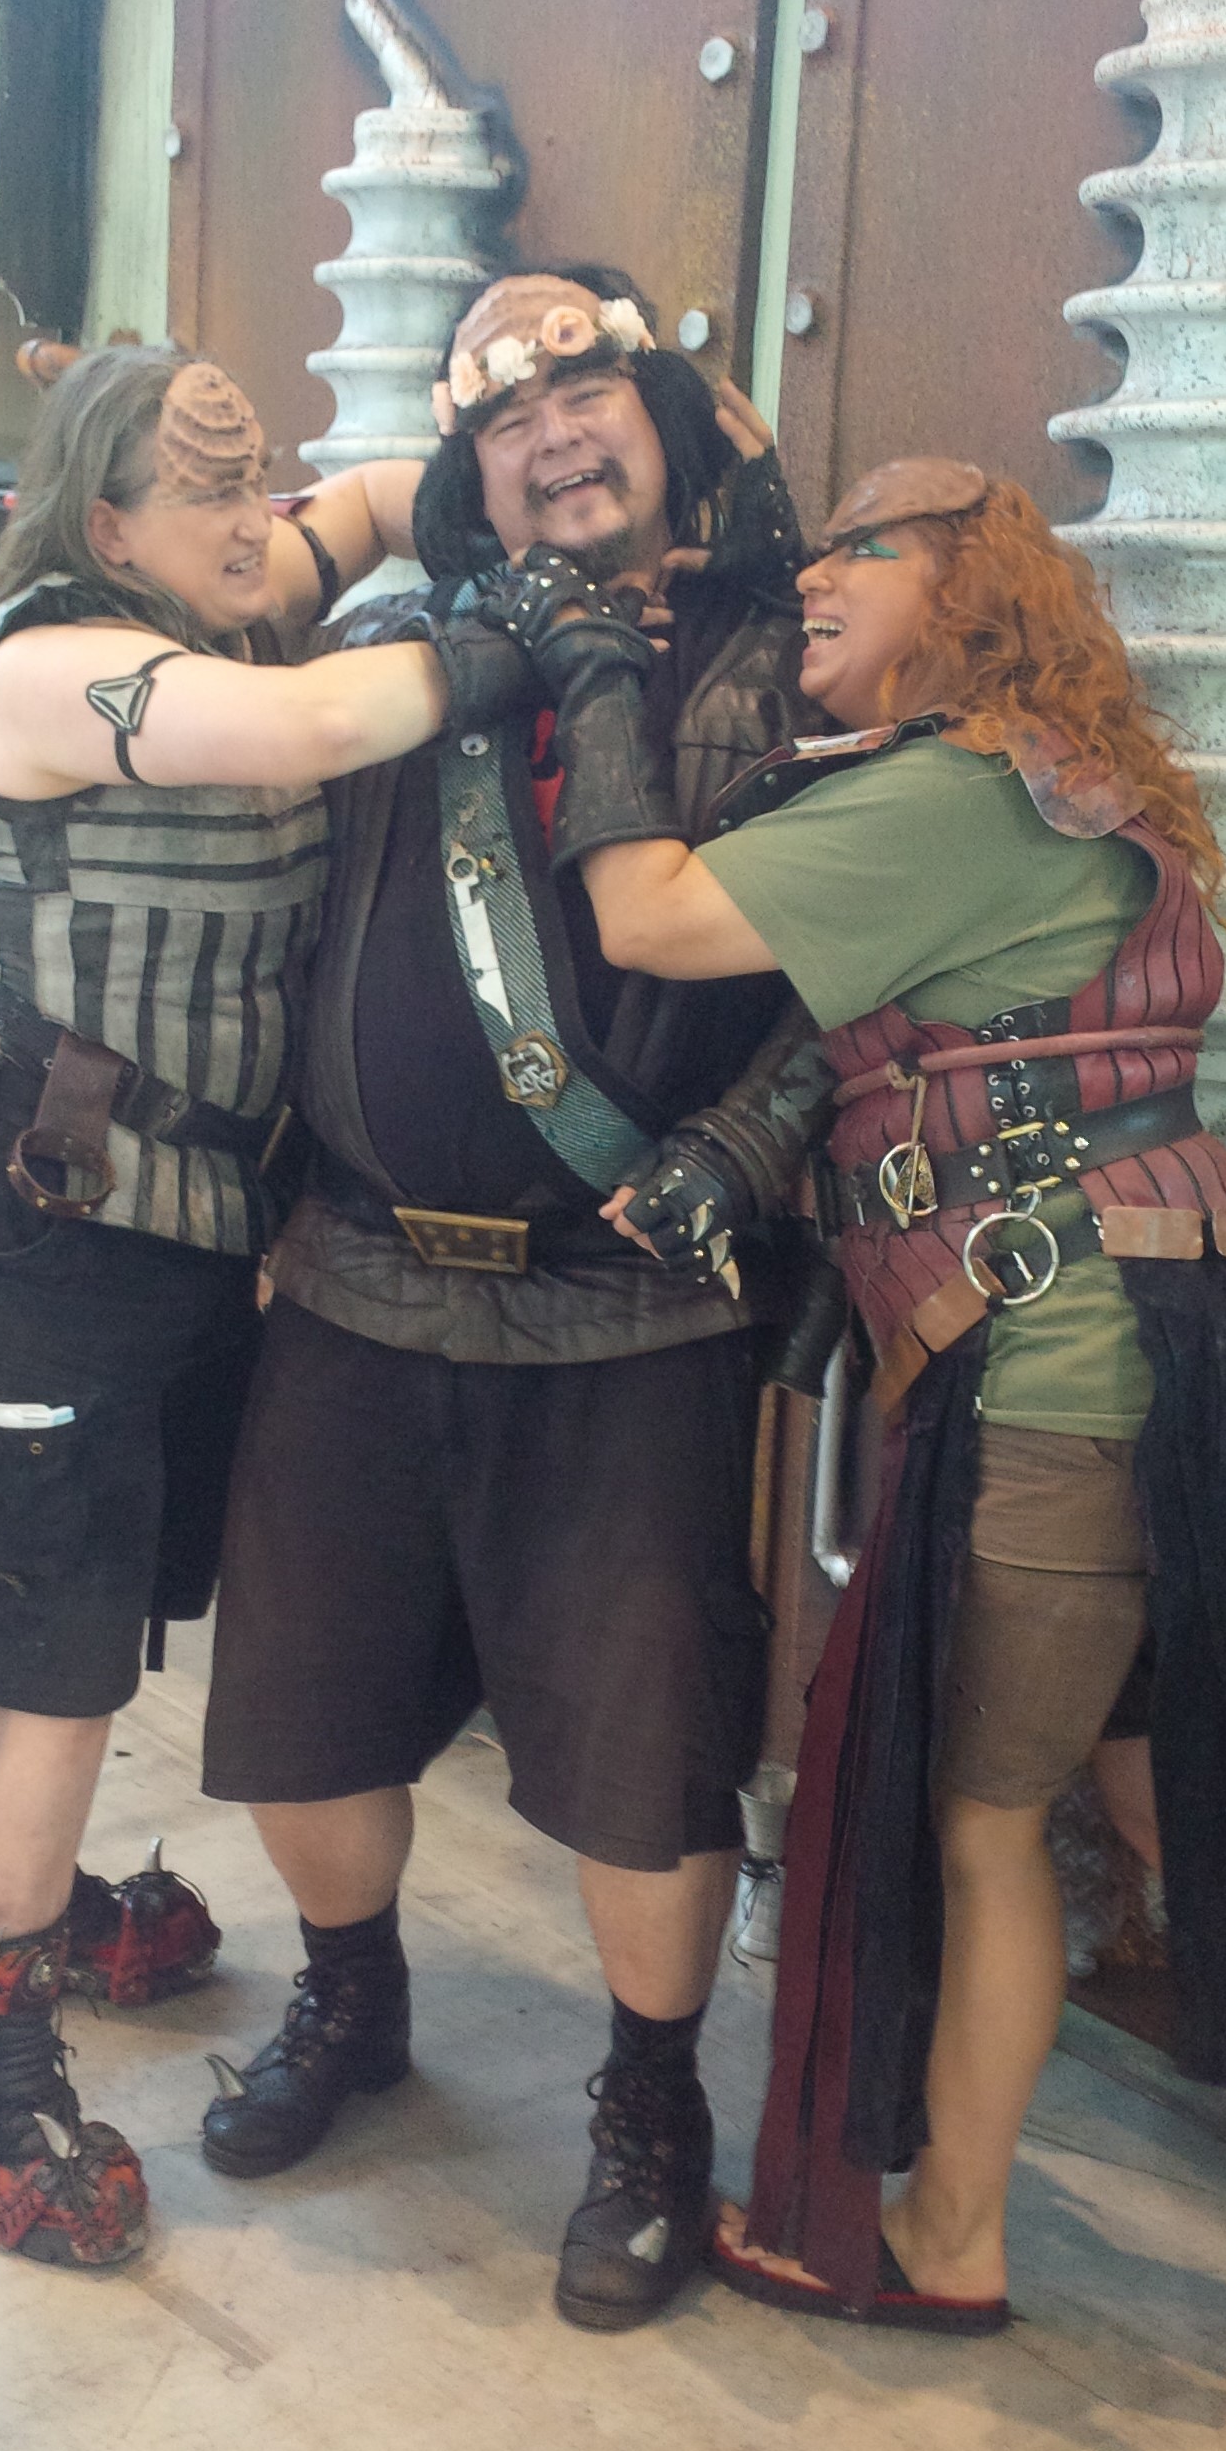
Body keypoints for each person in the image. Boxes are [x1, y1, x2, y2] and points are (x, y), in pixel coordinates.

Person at [551, 455, 1226, 2448]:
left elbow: (648, 915)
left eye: (860, 552)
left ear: (962, 587)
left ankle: (949, 2237)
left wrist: (592, 674)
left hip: (1064, 1368)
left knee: (991, 1821)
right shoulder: (1051, 777)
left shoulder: (949, 794)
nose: (816, 577)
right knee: (1182, 1800)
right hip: (1182, 1331)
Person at [0, 342, 521, 2279]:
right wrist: (527, 633)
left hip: (185, 1214)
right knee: (43, 1652)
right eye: (207, 486)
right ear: (105, 516)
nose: (256, 513)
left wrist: (487, 458)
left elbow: (362, 506)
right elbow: (315, 725)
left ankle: (44, 1904)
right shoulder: (52, 662)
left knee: (109, 1599)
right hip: (28, 1205)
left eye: (256, 472)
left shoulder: (216, 581)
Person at [196, 266, 831, 2331]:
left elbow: (870, 966)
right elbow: (208, 653)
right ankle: (352, 1999)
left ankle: (651, 2107)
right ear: (458, 468)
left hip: (630, 1307)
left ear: (672, 416)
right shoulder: (396, 662)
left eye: (588, 392)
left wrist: (744, 1152)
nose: (553, 437)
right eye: (502, 418)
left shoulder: (783, 662)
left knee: (646, 1750)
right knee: (301, 1716)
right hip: (355, 1277)